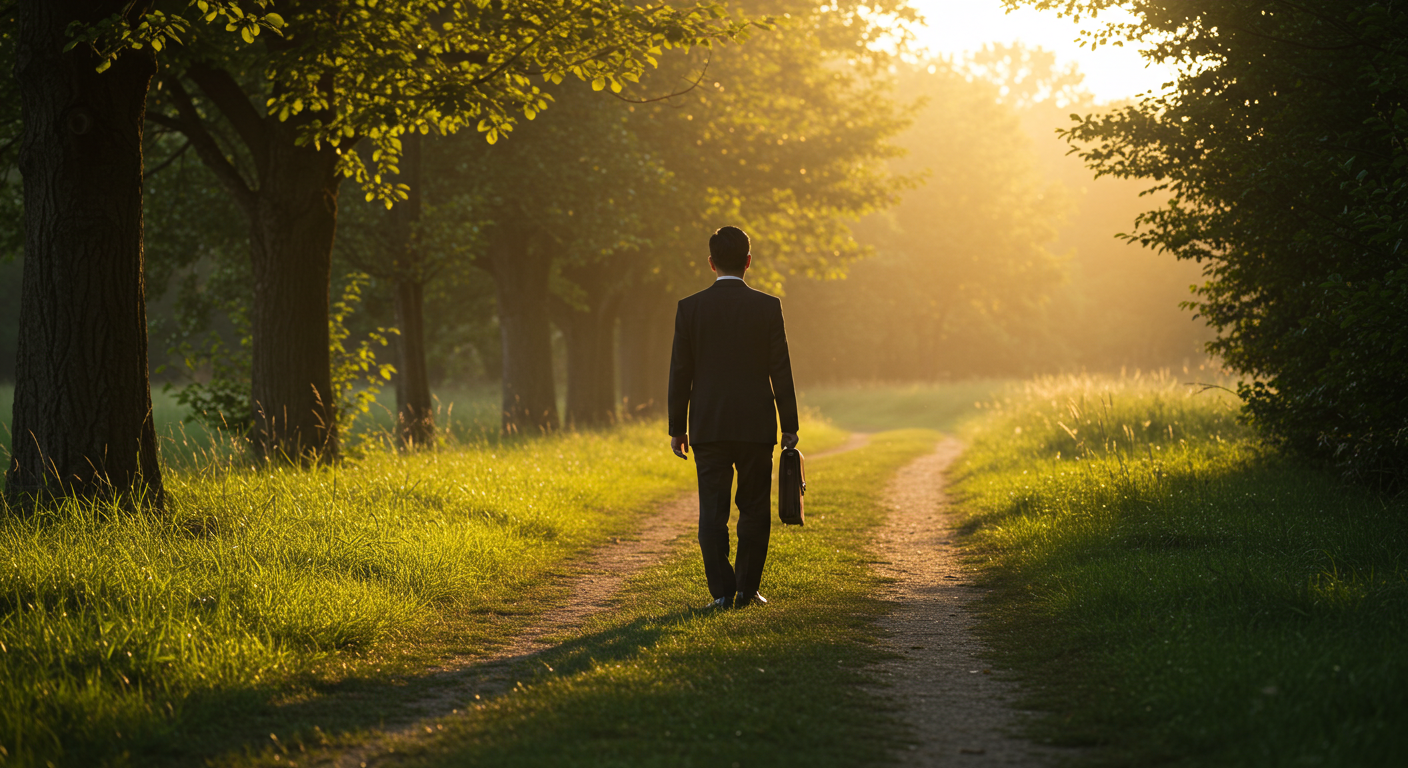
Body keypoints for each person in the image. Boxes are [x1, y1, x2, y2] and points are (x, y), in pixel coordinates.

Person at [668, 226, 800, 610]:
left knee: (712, 511)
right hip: (756, 424)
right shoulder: (767, 306)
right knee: (754, 507)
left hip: (708, 425)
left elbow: (681, 371)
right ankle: (748, 589)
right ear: (748, 261)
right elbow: (781, 368)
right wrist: (788, 423)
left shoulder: (689, 308)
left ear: (711, 263)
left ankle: (722, 593)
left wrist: (678, 427)